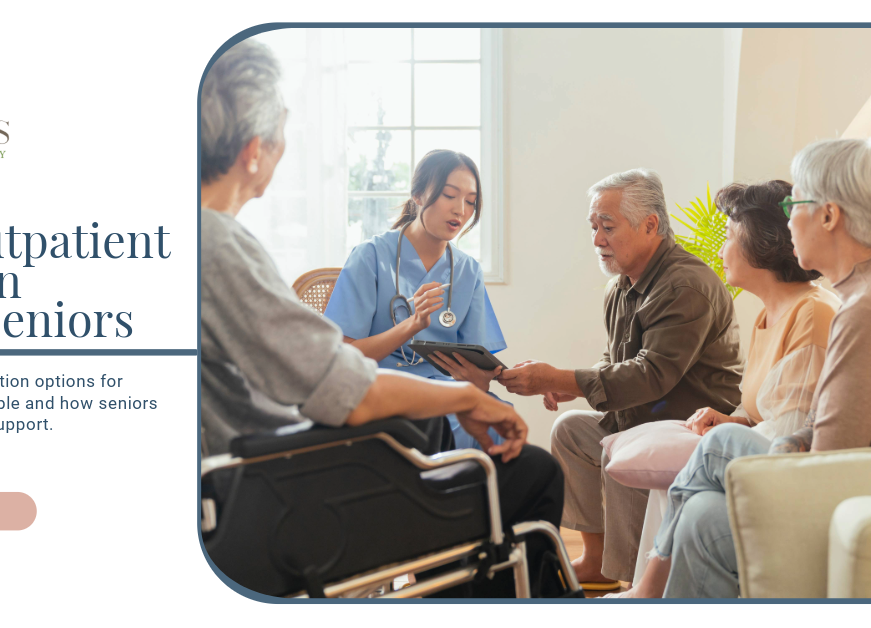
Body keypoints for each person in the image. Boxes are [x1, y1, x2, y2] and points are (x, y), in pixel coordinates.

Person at [199, 39, 566, 597]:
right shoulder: (220, 247)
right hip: (282, 490)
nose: (461, 210)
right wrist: (464, 398)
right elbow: (348, 386)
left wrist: (475, 384)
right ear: (254, 151)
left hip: (274, 470)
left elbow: (318, 381)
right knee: (535, 474)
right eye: (280, 138)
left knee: (449, 442)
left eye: (471, 201)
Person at [626, 138, 871, 599]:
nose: (788, 220)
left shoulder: (866, 308)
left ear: (829, 216)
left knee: (721, 445)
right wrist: (786, 439)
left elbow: (831, 459)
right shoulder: (863, 294)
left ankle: (647, 597)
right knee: (704, 514)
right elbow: (822, 425)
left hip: (848, 496)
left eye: (795, 203)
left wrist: (765, 441)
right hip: (851, 483)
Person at [496, 169, 744, 588]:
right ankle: (595, 559)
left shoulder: (685, 284)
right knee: (571, 430)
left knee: (628, 442)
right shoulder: (621, 286)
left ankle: (635, 582)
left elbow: (651, 375)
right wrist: (566, 383)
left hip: (686, 424)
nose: (596, 239)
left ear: (650, 225)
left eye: (607, 227)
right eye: (594, 227)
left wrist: (564, 377)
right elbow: (616, 361)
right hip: (645, 414)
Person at [325, 149, 508, 450]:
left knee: (499, 421)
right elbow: (343, 359)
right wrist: (411, 325)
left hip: (444, 393)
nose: (461, 210)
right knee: (440, 429)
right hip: (379, 390)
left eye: (471, 202)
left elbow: (477, 376)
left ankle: (484, 497)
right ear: (419, 195)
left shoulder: (467, 271)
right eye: (450, 195)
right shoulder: (370, 257)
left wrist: (483, 379)